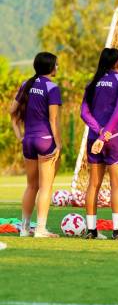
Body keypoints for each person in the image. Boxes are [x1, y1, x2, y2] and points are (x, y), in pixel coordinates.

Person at [79, 48, 118, 240]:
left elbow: (84, 113)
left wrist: (99, 133)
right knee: (116, 185)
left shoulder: (91, 84)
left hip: (94, 138)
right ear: (117, 62)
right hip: (115, 138)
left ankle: (91, 231)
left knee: (93, 185)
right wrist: (106, 135)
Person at [9, 52, 62, 238]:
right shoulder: (52, 87)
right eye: (56, 64)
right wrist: (59, 145)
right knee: (46, 186)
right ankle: (40, 229)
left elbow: (12, 112)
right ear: (50, 67)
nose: (58, 67)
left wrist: (19, 136)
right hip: (45, 140)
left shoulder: (26, 84)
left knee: (31, 186)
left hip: (28, 141)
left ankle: (24, 228)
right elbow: (53, 120)